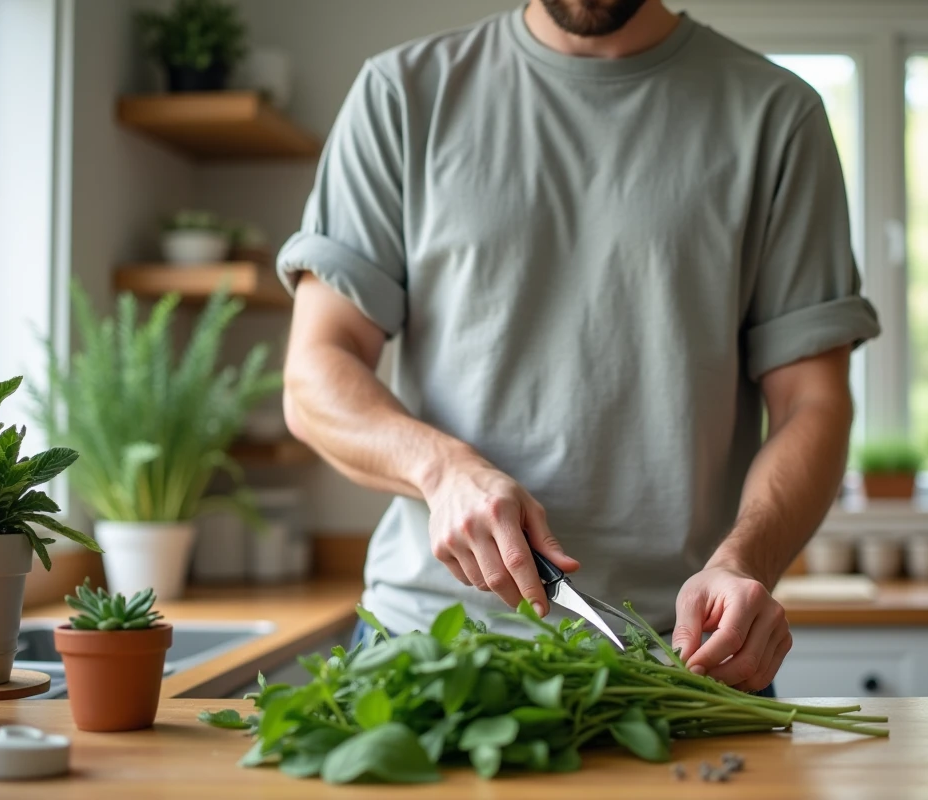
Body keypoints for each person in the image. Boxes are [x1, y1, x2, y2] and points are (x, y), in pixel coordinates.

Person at [278, 0, 880, 695]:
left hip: (680, 663)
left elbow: (814, 403)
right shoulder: (402, 95)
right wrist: (442, 471)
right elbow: (315, 372)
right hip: (426, 647)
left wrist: (744, 564)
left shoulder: (777, 116)